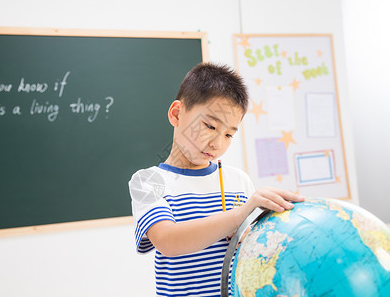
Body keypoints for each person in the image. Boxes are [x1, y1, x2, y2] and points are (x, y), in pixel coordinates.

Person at [129, 62, 304, 296]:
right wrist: (238, 216)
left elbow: (251, 252)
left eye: (229, 134)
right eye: (210, 126)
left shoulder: (239, 182)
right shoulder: (148, 181)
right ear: (176, 114)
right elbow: (168, 241)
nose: (217, 143)